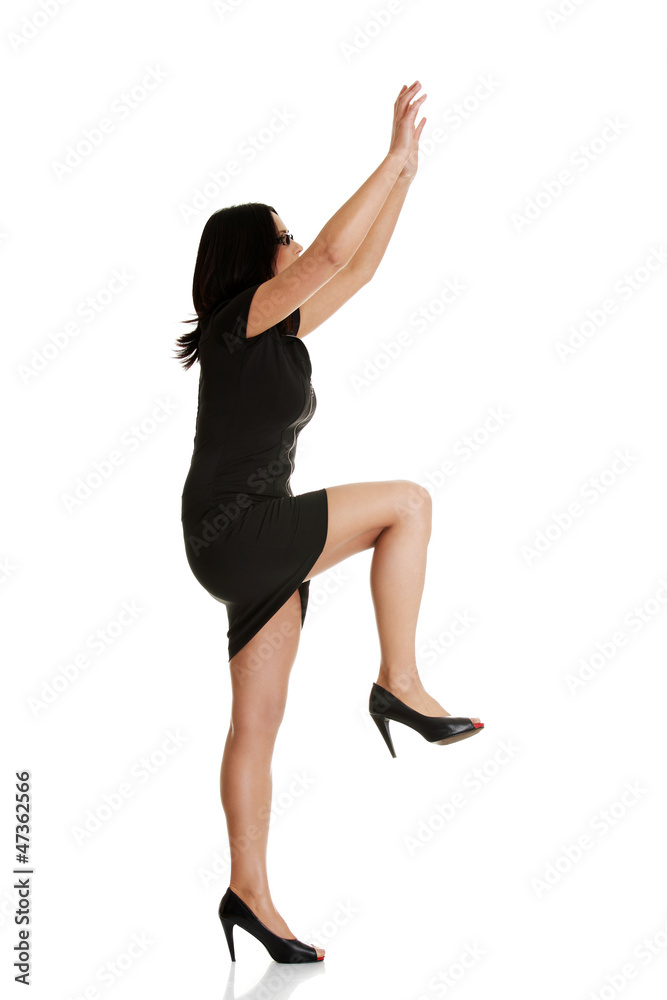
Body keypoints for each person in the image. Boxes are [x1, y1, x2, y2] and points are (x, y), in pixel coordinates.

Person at [175, 81, 484, 965]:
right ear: (252, 256)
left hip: (232, 539)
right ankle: (398, 682)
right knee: (407, 504)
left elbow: (358, 269)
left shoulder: (277, 331)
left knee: (256, 726)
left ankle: (248, 894)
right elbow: (331, 255)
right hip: (242, 527)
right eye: (282, 236)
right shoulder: (239, 320)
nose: (296, 243)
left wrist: (407, 175)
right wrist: (384, 158)